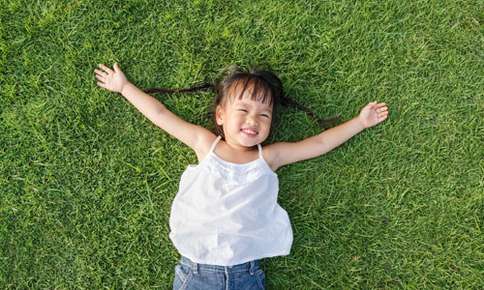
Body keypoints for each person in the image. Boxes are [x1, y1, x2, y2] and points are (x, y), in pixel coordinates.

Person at [94, 63, 389, 289]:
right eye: (244, 110)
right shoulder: (205, 144)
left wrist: (359, 123)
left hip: (246, 273)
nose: (253, 120)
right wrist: (124, 87)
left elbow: (318, 144)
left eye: (264, 115)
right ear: (220, 115)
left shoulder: (269, 158)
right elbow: (160, 115)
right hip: (197, 273)